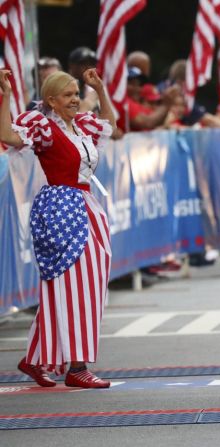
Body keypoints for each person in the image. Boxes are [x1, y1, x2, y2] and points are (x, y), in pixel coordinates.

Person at [0, 69, 115, 388]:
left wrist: (100, 90)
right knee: (73, 287)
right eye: (68, 95)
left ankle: (35, 359)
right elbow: (8, 136)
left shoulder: (82, 126)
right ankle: (76, 368)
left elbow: (111, 126)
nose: (76, 99)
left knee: (81, 286)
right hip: (61, 209)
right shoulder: (43, 126)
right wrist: (6, 95)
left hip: (87, 206)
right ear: (51, 100)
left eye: (77, 93)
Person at [67, 46, 100, 112]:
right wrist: (89, 102)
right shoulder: (61, 86)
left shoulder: (94, 88)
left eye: (92, 64)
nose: (88, 67)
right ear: (72, 65)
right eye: (83, 64)